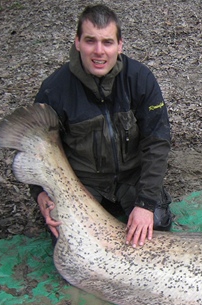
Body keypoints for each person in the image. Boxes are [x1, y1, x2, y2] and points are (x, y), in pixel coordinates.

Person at [31, 4, 172, 248]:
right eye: (90, 41)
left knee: (156, 228)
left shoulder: (140, 79)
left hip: (132, 179)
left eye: (107, 42)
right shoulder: (54, 90)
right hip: (83, 186)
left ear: (120, 45)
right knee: (69, 243)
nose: (99, 51)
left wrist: (146, 204)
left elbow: (157, 141)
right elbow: (35, 148)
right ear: (77, 42)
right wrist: (40, 193)